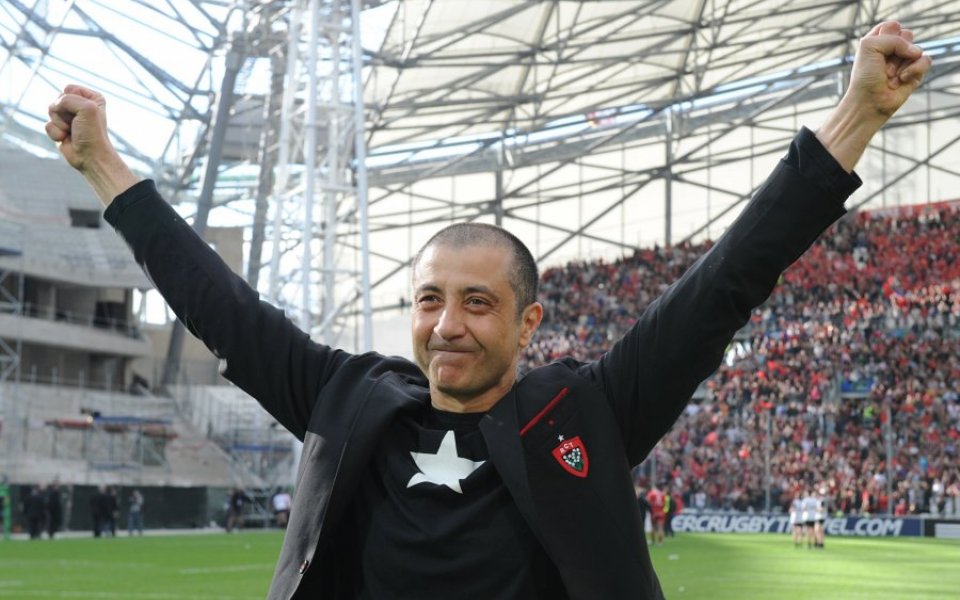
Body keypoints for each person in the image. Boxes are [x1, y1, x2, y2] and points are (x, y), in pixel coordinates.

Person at [45, 21, 931, 599]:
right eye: (431, 300)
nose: (448, 325)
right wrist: (104, 167)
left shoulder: (585, 411)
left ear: (527, 323)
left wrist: (857, 113)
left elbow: (728, 281)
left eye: (477, 303)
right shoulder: (346, 399)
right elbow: (220, 305)